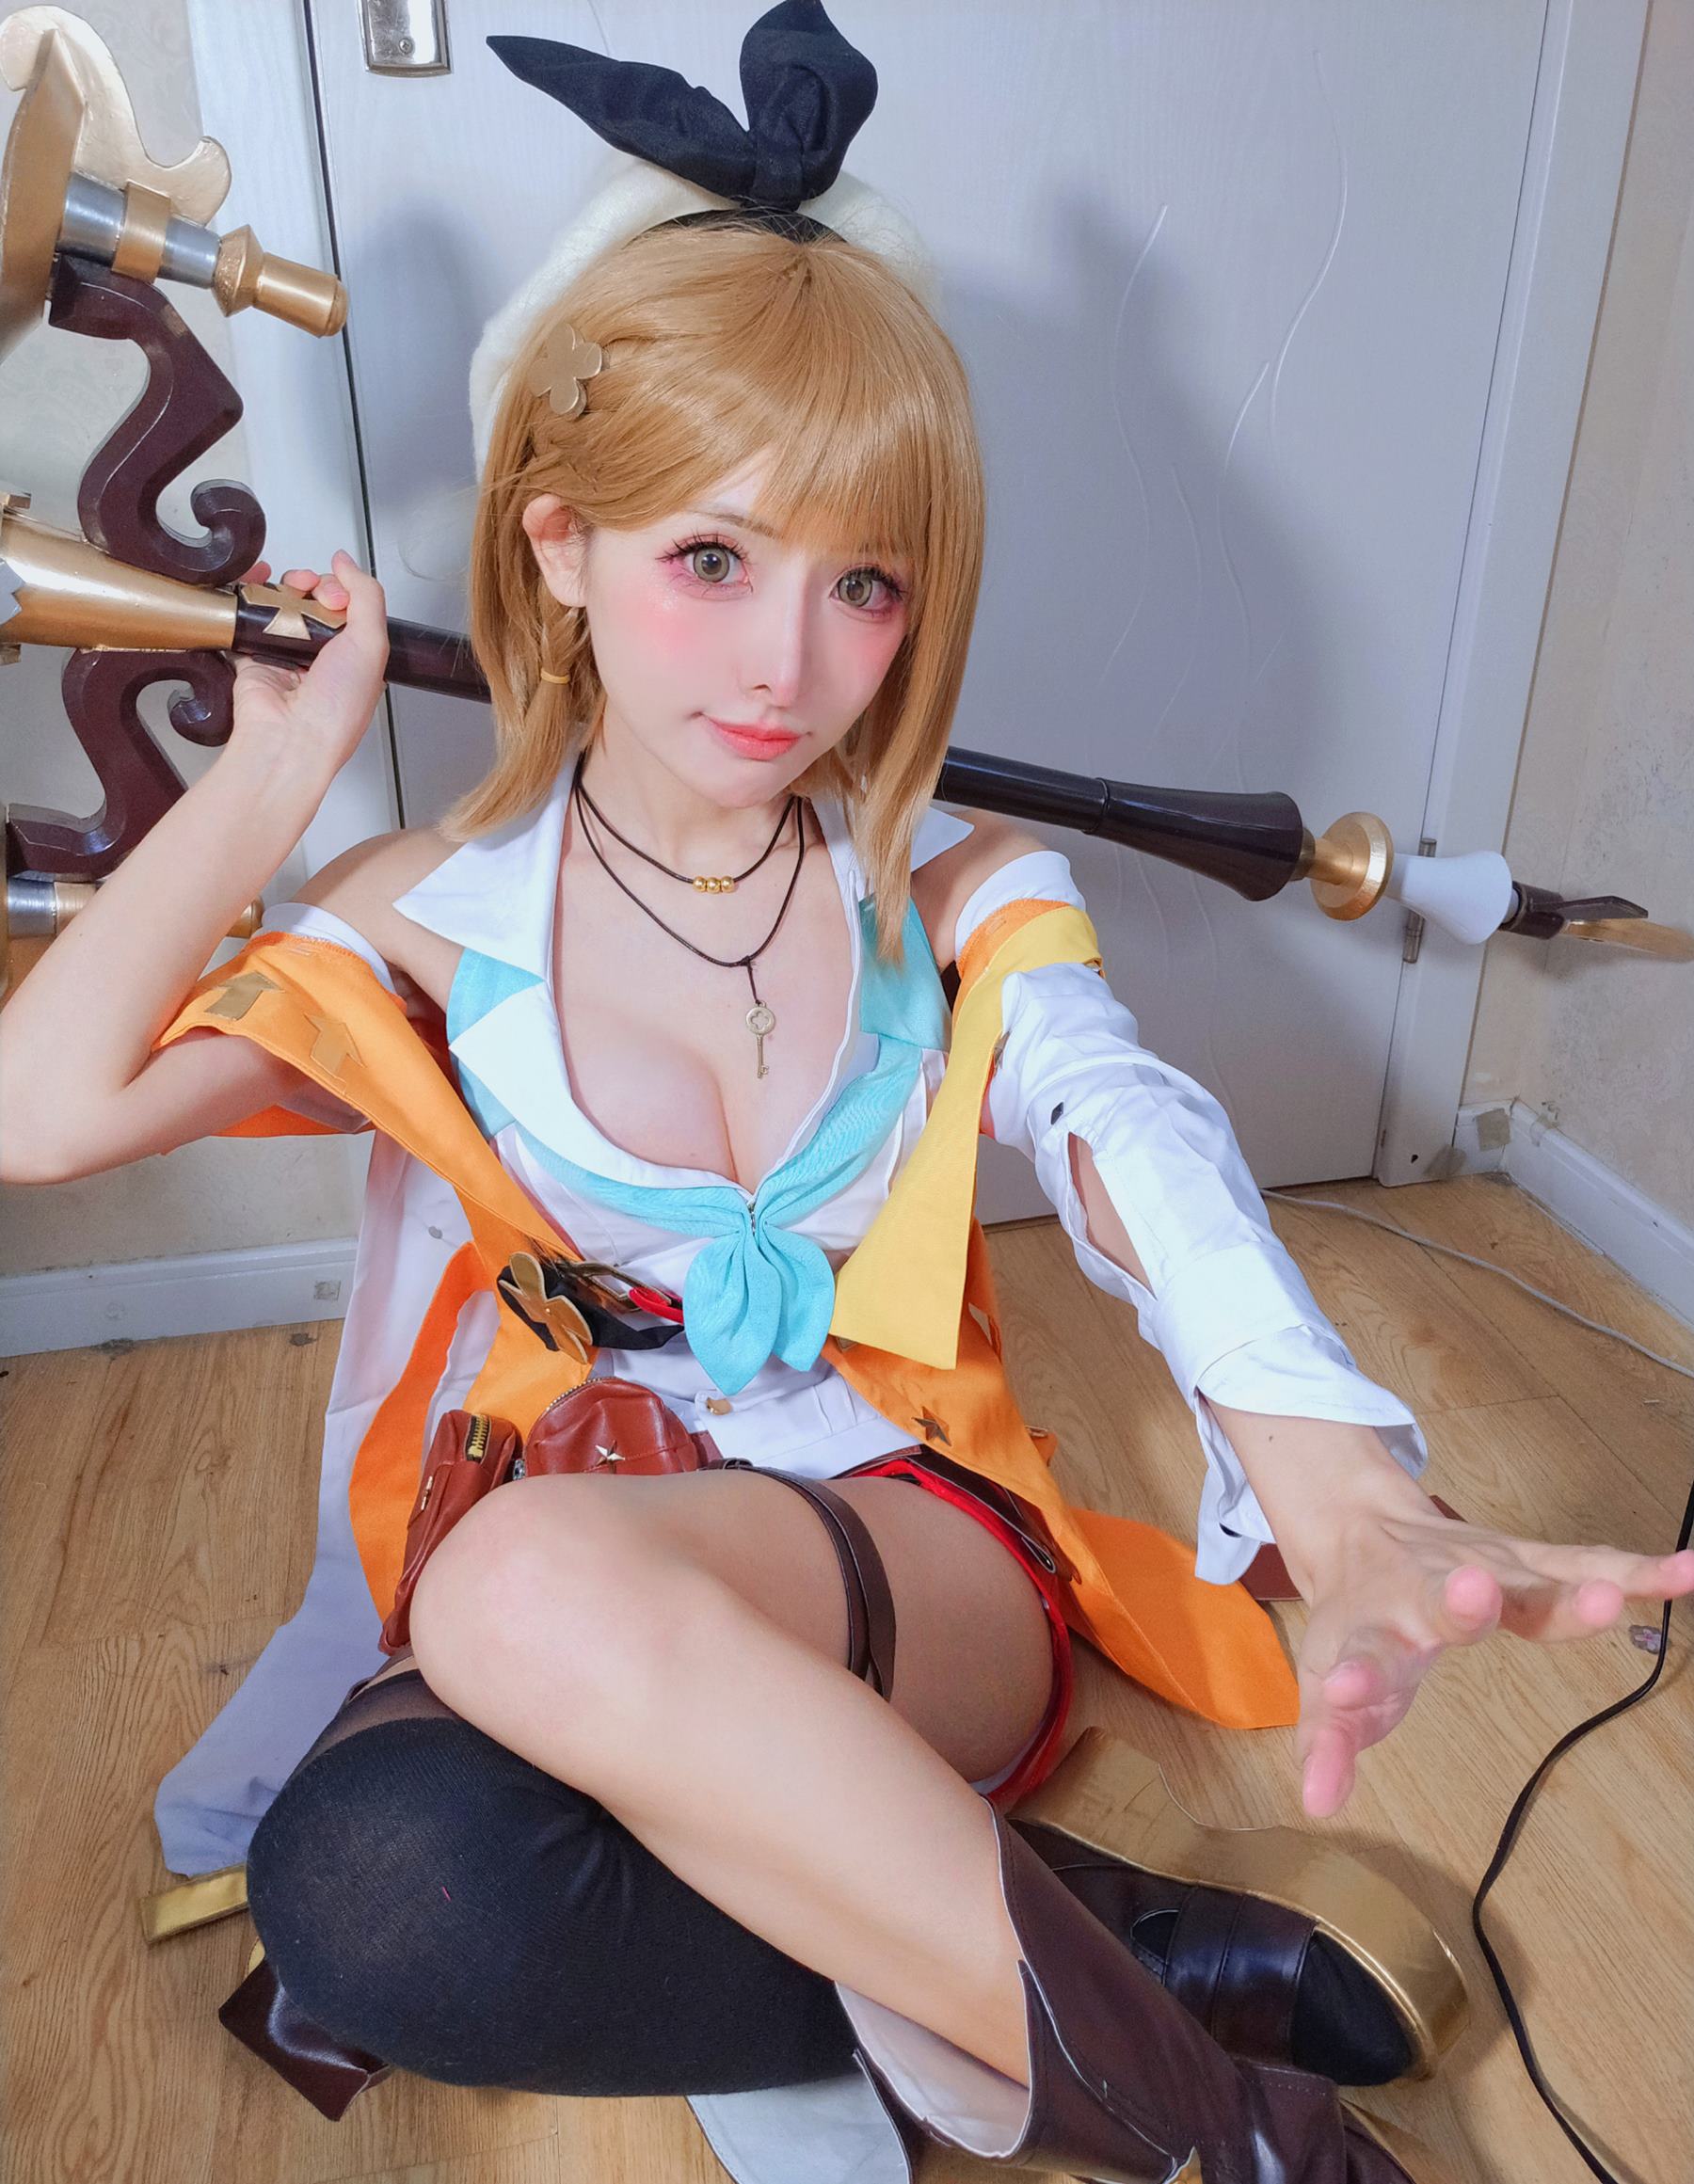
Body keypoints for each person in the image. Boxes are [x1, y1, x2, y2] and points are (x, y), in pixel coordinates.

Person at [3, 8, 1688, 2179]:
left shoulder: (953, 889)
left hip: (907, 1562)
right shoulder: (432, 915)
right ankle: (1117, 1959)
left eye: (863, 583)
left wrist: (1338, 1484)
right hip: (584, 1548)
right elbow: (40, 1115)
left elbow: (1135, 1144)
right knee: (372, 1889)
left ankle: (1233, 2138)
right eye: (711, 559)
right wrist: (271, 776)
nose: (786, 665)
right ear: (558, 545)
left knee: (507, 1602)